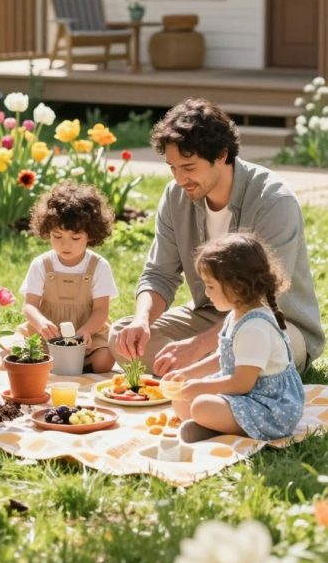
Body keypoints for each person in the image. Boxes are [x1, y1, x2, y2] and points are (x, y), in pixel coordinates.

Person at [109, 97, 325, 376]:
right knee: (122, 337)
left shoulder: (273, 200)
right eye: (172, 168)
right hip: (208, 315)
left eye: (188, 168)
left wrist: (197, 346)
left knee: (252, 349)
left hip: (271, 322)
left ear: (222, 155)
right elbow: (159, 274)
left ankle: (209, 370)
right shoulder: (176, 197)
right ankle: (213, 372)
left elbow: (266, 295)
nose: (179, 179)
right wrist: (141, 320)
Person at [166, 232, 305, 443]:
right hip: (245, 395)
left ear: (237, 287)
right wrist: (187, 374)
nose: (206, 292)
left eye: (210, 286)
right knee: (181, 399)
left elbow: (242, 383)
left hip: (269, 406)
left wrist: (200, 387)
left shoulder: (254, 328)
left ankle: (215, 428)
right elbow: (222, 358)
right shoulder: (236, 315)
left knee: (201, 404)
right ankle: (211, 426)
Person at [16, 181, 118, 372]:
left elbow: (101, 311)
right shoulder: (42, 264)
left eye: (75, 238)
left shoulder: (98, 266)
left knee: (105, 360)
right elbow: (29, 305)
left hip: (86, 334)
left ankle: (78, 362)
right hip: (47, 334)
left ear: (91, 235)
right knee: (10, 349)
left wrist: (86, 331)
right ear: (47, 232)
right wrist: (41, 323)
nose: (65, 245)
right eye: (57, 236)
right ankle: (52, 361)